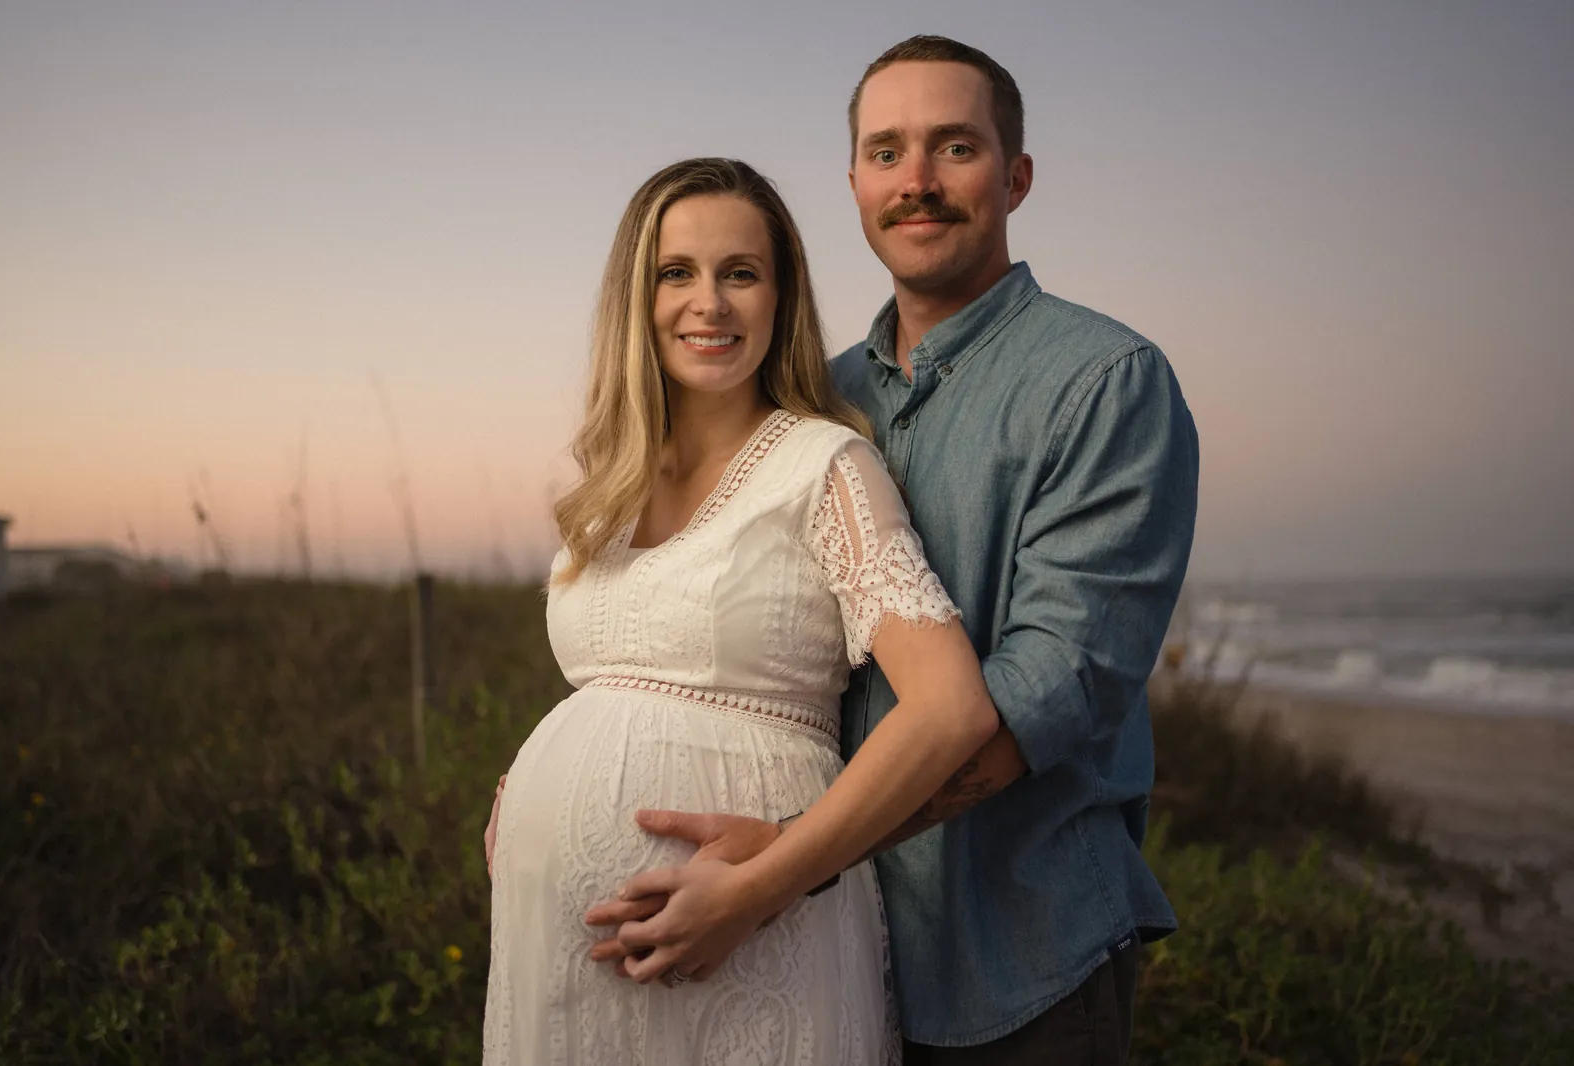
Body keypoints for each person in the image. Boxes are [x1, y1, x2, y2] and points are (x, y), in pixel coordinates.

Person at [583, 35, 1200, 1066]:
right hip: (820, 955)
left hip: (1019, 957)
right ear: (855, 181)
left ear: (1016, 176)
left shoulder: (1106, 382)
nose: (915, 182)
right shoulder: (810, 403)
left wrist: (781, 867)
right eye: (885, 152)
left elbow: (1048, 686)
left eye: (954, 149)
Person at [480, 155, 1007, 1065]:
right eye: (676, 273)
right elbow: (622, 683)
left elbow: (950, 708)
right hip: (559, 954)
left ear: (782, 297)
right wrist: (529, 792)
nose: (709, 304)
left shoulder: (825, 465)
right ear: (635, 300)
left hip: (755, 941)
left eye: (741, 274)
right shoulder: (606, 491)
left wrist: (763, 887)